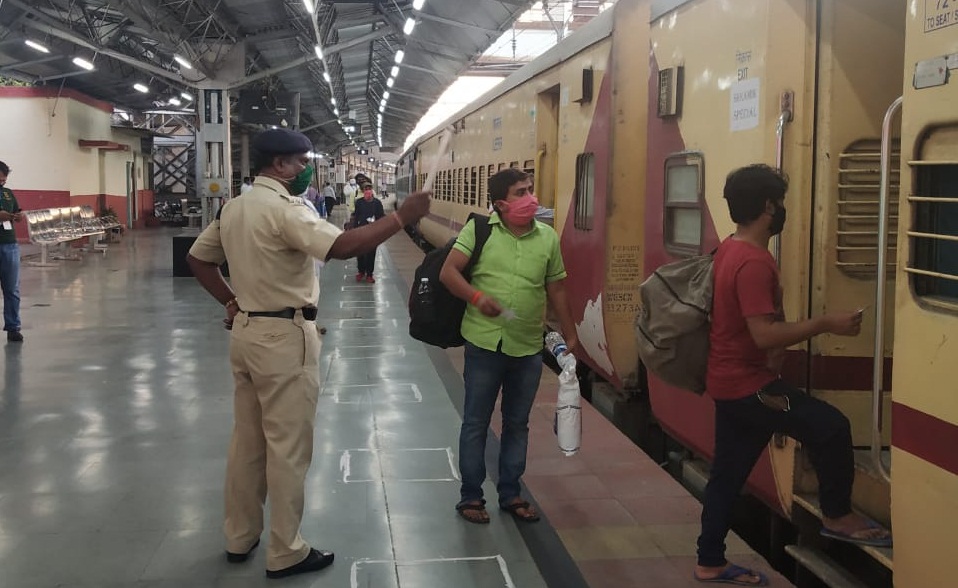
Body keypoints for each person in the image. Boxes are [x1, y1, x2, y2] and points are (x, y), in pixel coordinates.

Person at [185, 128, 430, 580]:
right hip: (284, 337)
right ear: (278, 164)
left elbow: (199, 259)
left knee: (247, 443)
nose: (305, 171)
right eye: (300, 163)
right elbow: (340, 247)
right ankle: (287, 550)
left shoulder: (235, 207)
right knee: (288, 449)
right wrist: (400, 219)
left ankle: (240, 536)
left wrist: (231, 301)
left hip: (245, 334)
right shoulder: (284, 209)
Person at [694, 164, 891, 586]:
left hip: (728, 384)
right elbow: (763, 334)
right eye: (780, 202)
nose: (782, 209)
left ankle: (709, 561)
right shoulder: (753, 262)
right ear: (769, 206)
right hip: (751, 389)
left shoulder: (730, 248)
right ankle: (838, 515)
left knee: (726, 476)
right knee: (831, 427)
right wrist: (826, 323)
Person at [439, 168, 577, 525]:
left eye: (531, 189)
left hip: (528, 347)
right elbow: (449, 272)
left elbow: (557, 287)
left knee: (518, 423)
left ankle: (511, 493)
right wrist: (477, 296)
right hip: (484, 343)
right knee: (475, 422)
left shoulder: (547, 237)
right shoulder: (479, 230)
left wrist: (569, 332)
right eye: (521, 192)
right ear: (501, 204)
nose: (531, 198)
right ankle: (471, 497)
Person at [0, 161, 23, 343]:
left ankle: (13, 327)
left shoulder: (8, 194)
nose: (2, 183)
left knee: (12, 289)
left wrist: (18, 216)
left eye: (4, 180)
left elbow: (16, 211)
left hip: (9, 245)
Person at [351, 184, 385, 283]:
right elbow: (356, 216)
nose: (367, 191)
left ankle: (369, 274)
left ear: (372, 191)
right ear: (363, 191)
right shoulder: (359, 202)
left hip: (373, 232)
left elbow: (381, 216)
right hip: (360, 231)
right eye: (365, 189)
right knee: (360, 253)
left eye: (369, 189)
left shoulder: (377, 203)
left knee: (371, 253)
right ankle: (361, 272)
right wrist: (354, 229)